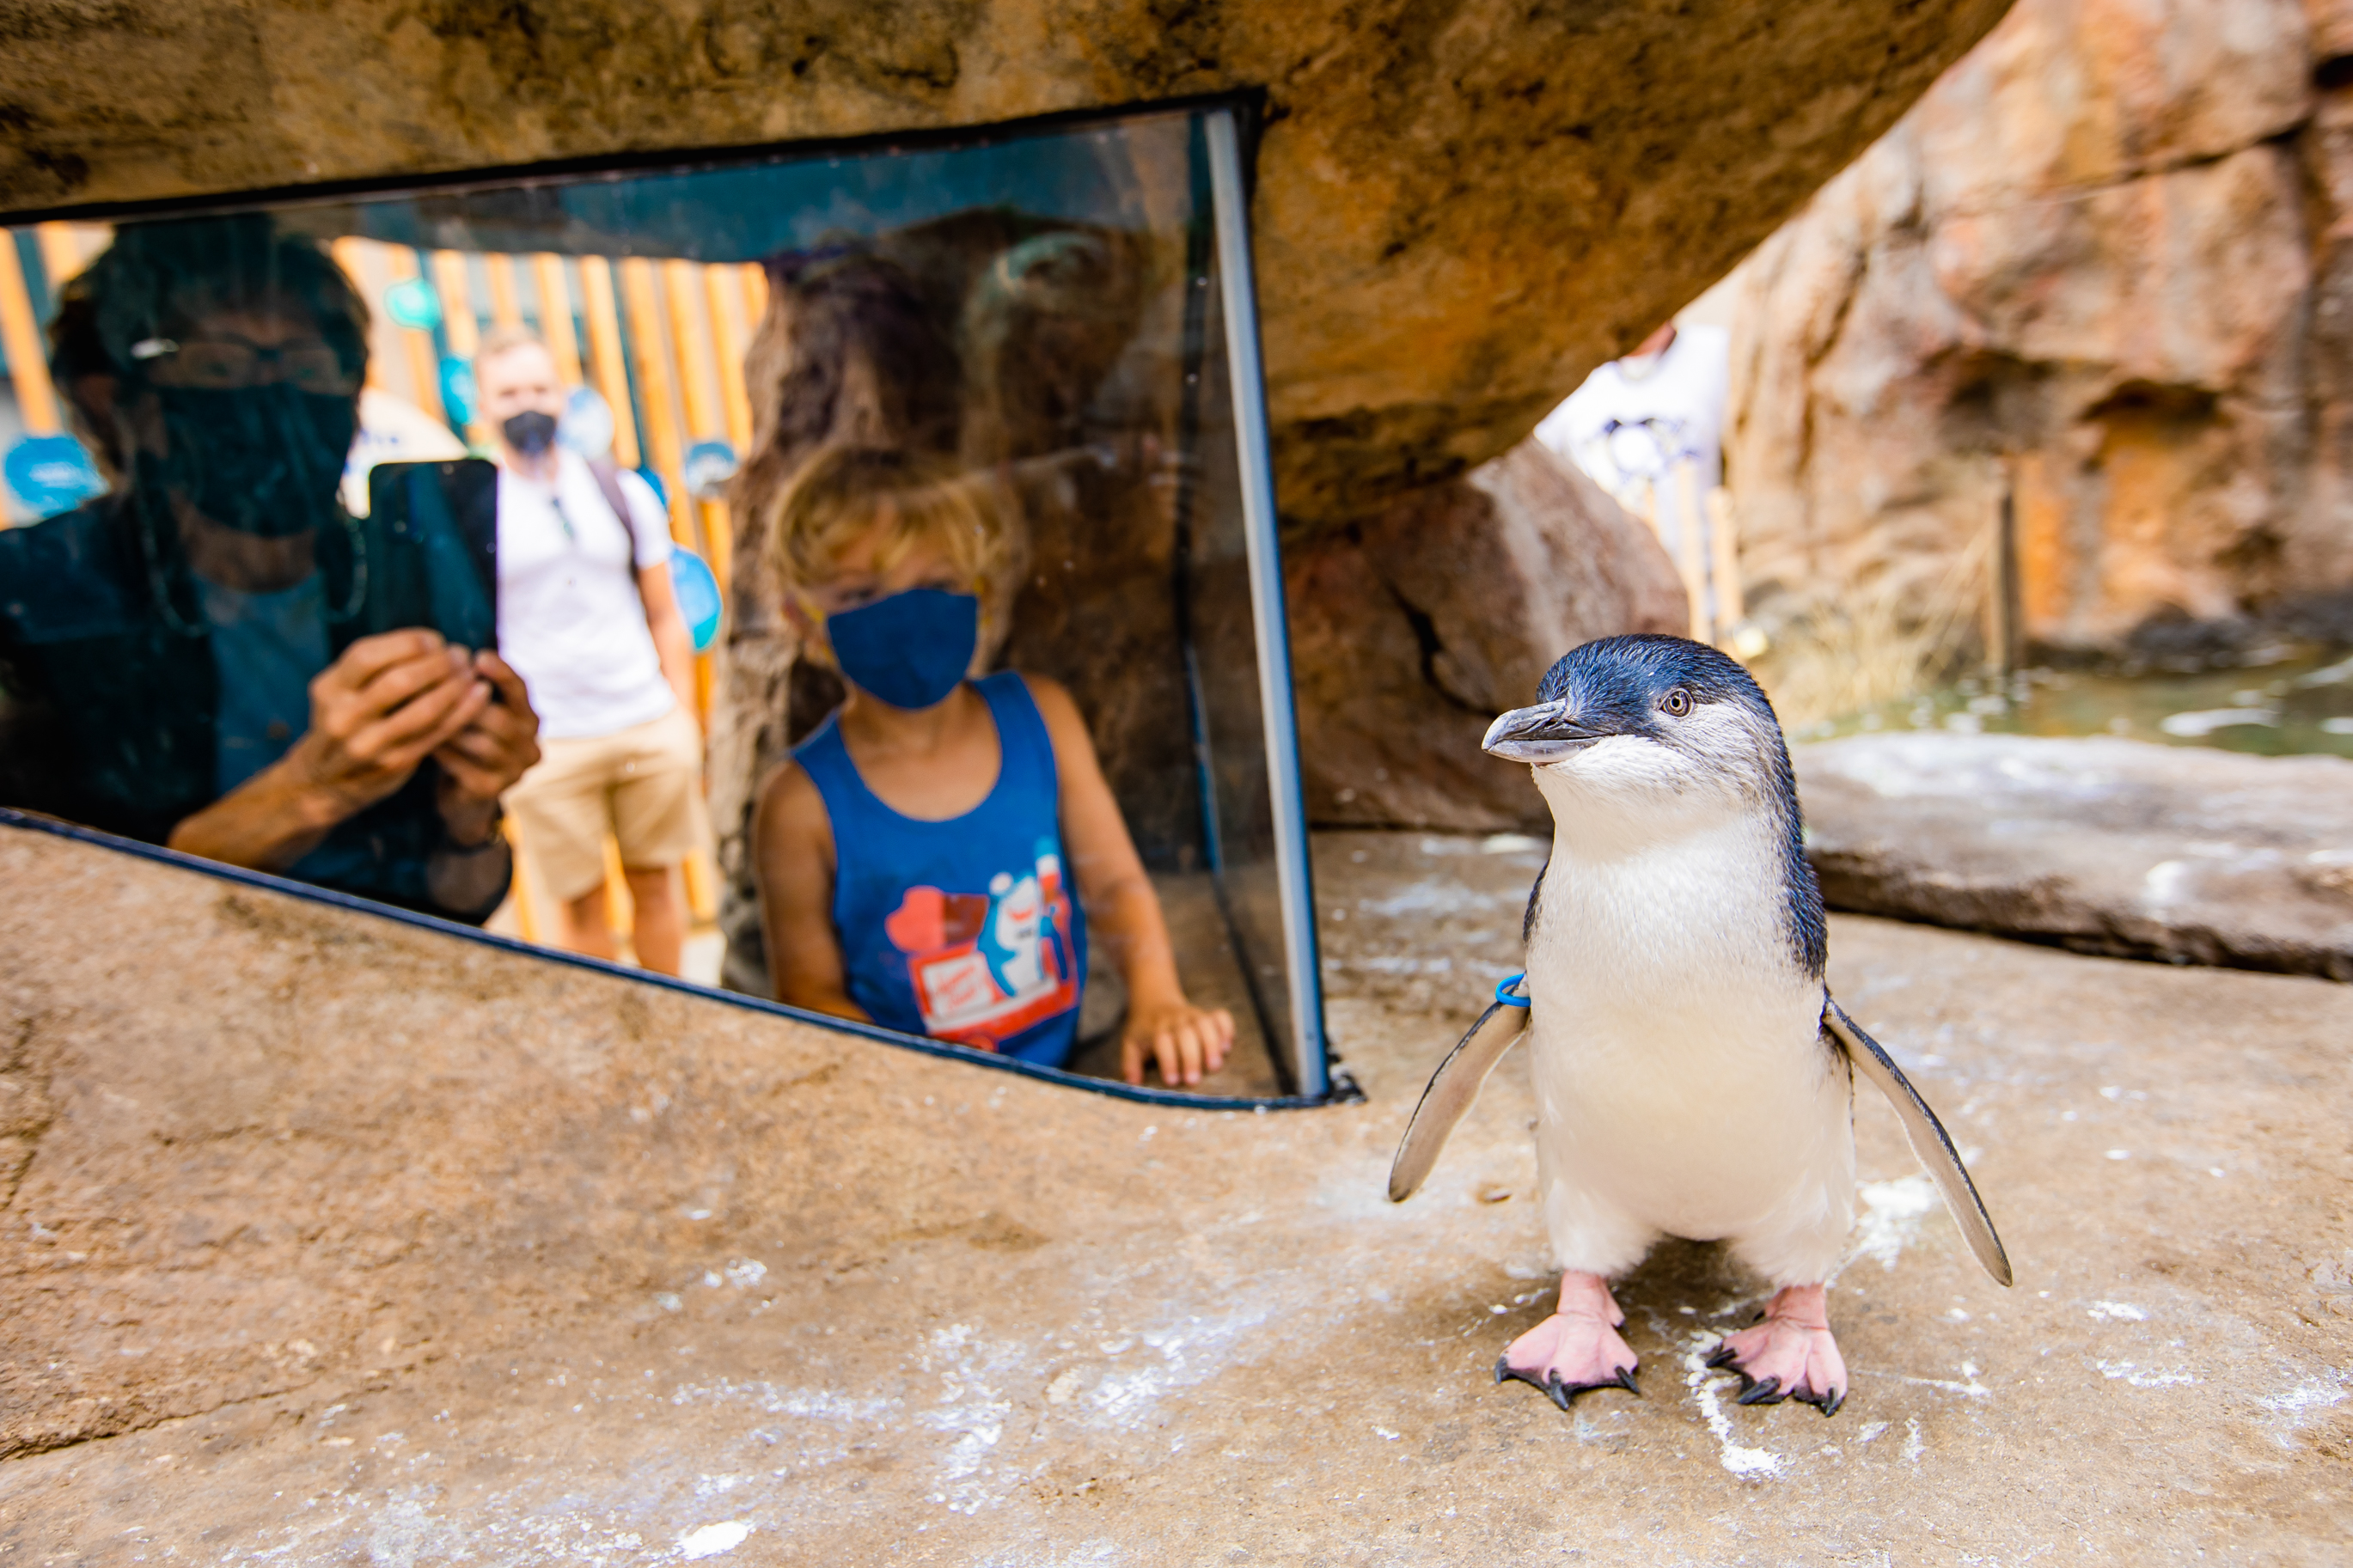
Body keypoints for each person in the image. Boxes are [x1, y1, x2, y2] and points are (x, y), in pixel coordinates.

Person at [0, 216, 540, 923]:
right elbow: (48, 939)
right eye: (221, 366)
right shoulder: (37, 599)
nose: (276, 399)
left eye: (309, 367)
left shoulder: (391, 578)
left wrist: (470, 811)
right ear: (123, 399)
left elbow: (459, 903)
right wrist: (310, 791)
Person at [752, 445, 1234, 1086]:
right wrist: (929, 1093)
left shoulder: (1044, 717)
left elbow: (1115, 884)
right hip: (918, 1109)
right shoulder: (797, 807)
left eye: (939, 584)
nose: (906, 612)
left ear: (980, 590)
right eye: (862, 592)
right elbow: (810, 994)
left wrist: (1157, 998)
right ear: (801, 619)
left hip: (1065, 1075)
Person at [473, 326, 703, 974]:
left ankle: (670, 1024)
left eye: (540, 387)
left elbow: (664, 608)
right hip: (550, 740)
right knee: (582, 907)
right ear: (483, 404)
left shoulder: (620, 490)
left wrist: (681, 718)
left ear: (565, 396)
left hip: (642, 717)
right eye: (510, 391)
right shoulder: (479, 506)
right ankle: (616, 1046)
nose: (527, 403)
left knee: (657, 883)